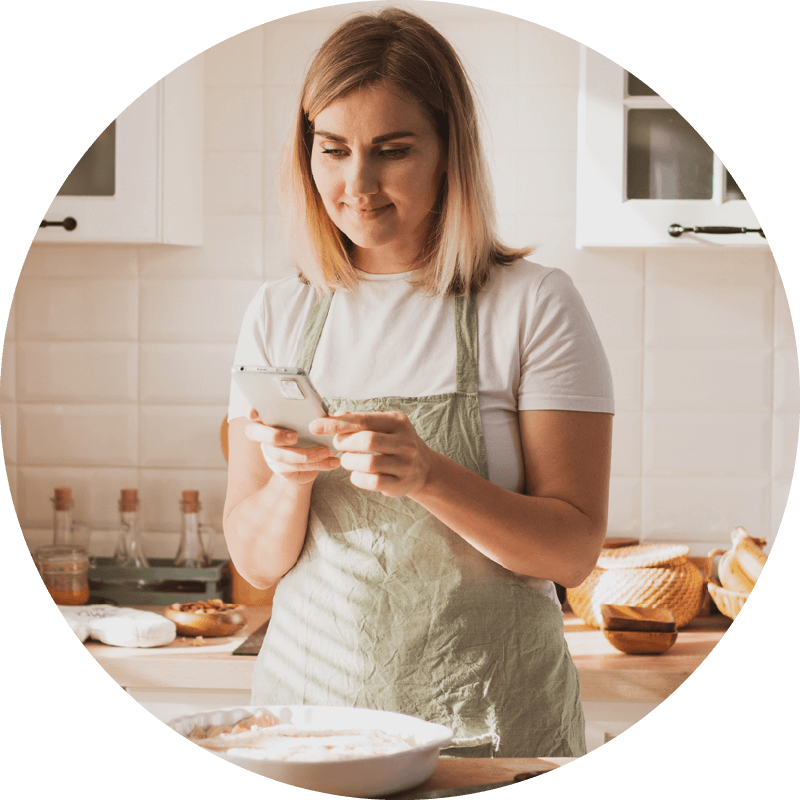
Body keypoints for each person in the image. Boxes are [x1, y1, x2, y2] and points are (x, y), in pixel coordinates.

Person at [224, 7, 613, 758]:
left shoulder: (532, 303)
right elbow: (255, 559)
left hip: (492, 731)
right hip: (311, 733)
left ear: (448, 154)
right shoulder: (280, 311)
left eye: (391, 150)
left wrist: (430, 476)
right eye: (332, 149)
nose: (356, 182)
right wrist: (289, 482)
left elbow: (571, 550)